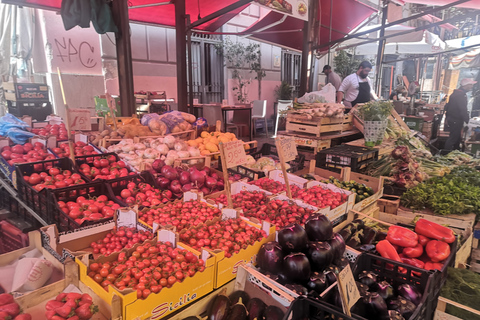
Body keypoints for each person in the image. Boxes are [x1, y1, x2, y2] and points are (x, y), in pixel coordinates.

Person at [444, 78, 477, 150]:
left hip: (453, 119)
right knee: (453, 137)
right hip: (455, 119)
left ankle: (456, 151)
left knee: (457, 137)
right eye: (470, 85)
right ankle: (446, 153)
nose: (472, 87)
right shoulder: (460, 95)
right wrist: (468, 121)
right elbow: (463, 109)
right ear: (466, 85)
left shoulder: (457, 93)